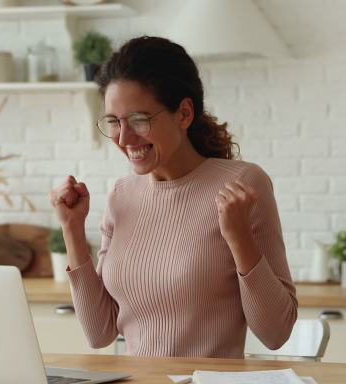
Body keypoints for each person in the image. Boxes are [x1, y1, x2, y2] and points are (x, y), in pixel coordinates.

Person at [48, 36, 297, 358]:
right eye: (113, 122)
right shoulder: (121, 196)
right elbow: (100, 334)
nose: (124, 138)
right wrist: (72, 230)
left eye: (140, 120)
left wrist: (239, 237)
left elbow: (276, 333)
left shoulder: (243, 185)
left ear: (183, 113)